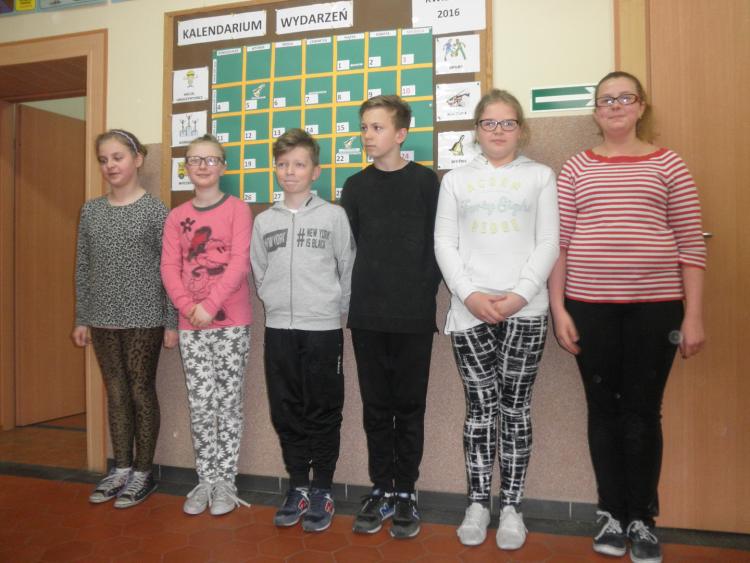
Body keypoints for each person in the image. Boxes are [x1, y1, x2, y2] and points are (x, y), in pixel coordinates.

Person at [548, 71, 706, 563]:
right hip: (589, 309)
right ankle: (611, 514)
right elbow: (559, 245)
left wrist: (694, 316)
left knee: (642, 413)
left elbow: (691, 244)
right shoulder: (576, 167)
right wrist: (558, 309)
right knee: (603, 411)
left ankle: (642, 519)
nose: (615, 106)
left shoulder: (669, 164)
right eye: (605, 100)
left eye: (624, 97)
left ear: (640, 106)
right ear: (596, 112)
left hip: (655, 312)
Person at [434, 89, 559, 549]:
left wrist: (520, 295)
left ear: (520, 129)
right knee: (480, 408)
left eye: (508, 123)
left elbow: (549, 242)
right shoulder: (456, 180)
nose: (499, 131)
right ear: (477, 130)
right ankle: (477, 504)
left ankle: (511, 506)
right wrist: (468, 294)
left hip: (526, 310)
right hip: (469, 311)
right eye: (490, 123)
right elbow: (444, 242)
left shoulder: (541, 176)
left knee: (516, 408)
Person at [340, 95, 442, 539]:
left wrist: (421, 293)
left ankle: (406, 491)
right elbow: (352, 249)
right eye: (364, 127)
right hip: (367, 315)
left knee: (410, 407)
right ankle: (381, 487)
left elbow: (439, 244)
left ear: (401, 134)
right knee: (376, 408)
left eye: (377, 127)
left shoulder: (425, 182)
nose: (367, 135)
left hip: (413, 316)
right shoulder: (354, 187)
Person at [251, 129, 355, 533]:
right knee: (286, 408)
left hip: (322, 329)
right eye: (282, 164)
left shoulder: (333, 216)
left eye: (298, 164)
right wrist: (275, 302)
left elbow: (347, 266)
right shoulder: (264, 221)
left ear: (315, 171)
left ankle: (322, 488)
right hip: (279, 329)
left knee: (323, 409)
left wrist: (333, 309)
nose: (289, 171)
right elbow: (260, 270)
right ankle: (297, 486)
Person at [73, 129, 178, 508]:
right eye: (104, 160)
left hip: (144, 317)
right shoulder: (91, 210)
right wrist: (82, 317)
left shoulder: (155, 210)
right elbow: (83, 266)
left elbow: (170, 270)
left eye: (117, 157)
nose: (110, 165)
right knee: (115, 392)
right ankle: (120, 468)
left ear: (137, 159)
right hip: (102, 317)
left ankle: (143, 473)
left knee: (140, 390)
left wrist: (171, 322)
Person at [160, 134, 253, 516]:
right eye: (195, 159)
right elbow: (169, 267)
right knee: (200, 405)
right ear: (186, 167)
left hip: (231, 324)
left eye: (210, 159)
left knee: (228, 404)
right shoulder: (176, 216)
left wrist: (211, 306)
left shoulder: (238, 210)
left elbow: (239, 263)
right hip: (191, 326)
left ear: (223, 167)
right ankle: (206, 479)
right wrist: (188, 307)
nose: (202, 166)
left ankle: (226, 482)